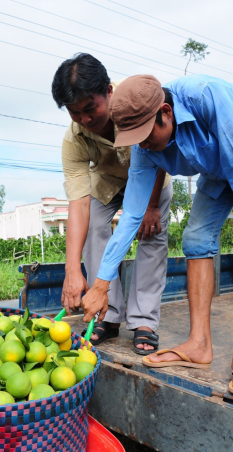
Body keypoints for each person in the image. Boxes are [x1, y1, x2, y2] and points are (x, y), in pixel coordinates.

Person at [79, 74, 233, 395]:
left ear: (166, 112)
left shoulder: (204, 96)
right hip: (218, 169)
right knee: (195, 240)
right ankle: (199, 344)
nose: (143, 145)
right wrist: (101, 284)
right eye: (135, 139)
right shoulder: (143, 146)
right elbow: (132, 216)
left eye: (146, 136)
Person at [51, 54, 173, 354]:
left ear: (108, 91)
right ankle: (109, 313)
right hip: (107, 182)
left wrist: (152, 204)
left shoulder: (133, 104)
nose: (85, 120)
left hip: (152, 179)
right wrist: (71, 271)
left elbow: (159, 152)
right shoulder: (73, 140)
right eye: (75, 113)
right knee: (92, 226)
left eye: (90, 108)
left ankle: (144, 320)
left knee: (151, 234)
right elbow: (78, 204)